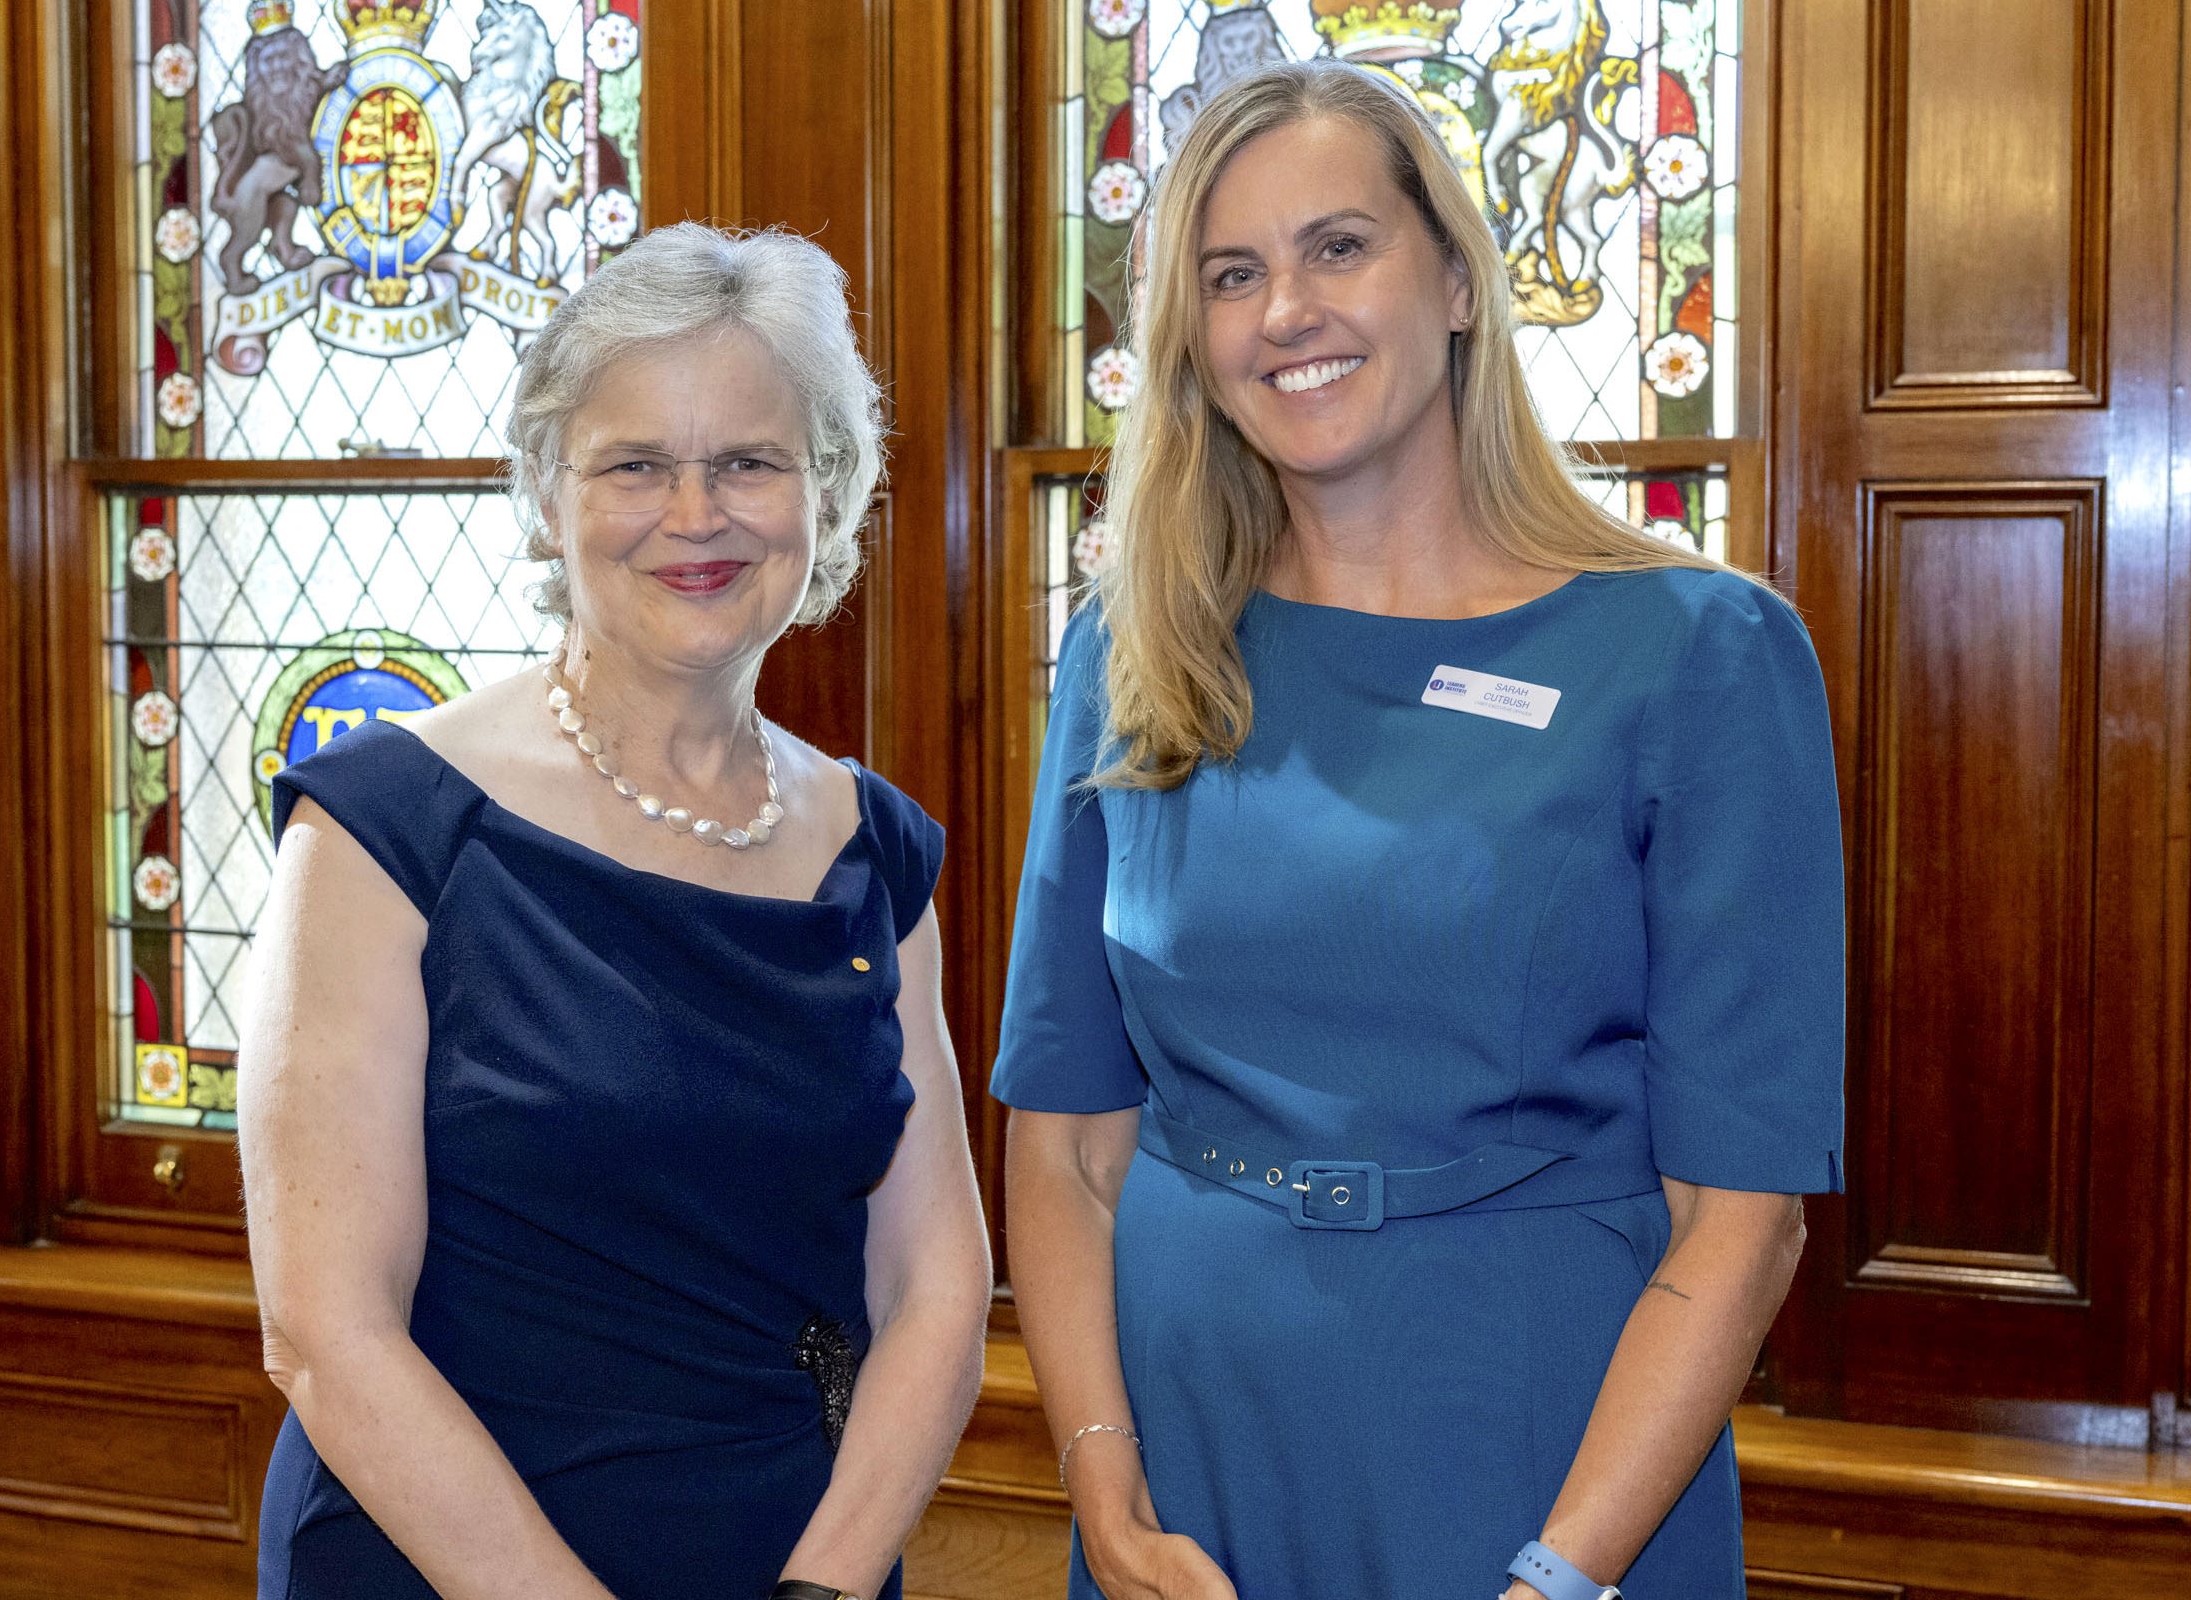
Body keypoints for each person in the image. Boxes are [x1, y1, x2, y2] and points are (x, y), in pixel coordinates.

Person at [994, 61, 1843, 1600]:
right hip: (1185, 1462)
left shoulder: (1697, 653)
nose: (1285, 313)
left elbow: (1746, 1216)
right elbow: (1062, 1145)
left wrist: (1561, 1576)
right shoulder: (1133, 653)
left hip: (1546, 1451)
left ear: (1456, 278)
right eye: (1231, 274)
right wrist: (1103, 1487)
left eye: (1339, 248)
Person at [241, 222, 991, 1600]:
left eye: (749, 463)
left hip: (790, 1561)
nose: (694, 515)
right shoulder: (385, 828)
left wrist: (824, 1587)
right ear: (545, 493)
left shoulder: (874, 853)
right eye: (634, 464)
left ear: (825, 491)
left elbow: (936, 1289)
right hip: (443, 1564)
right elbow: (325, 1331)